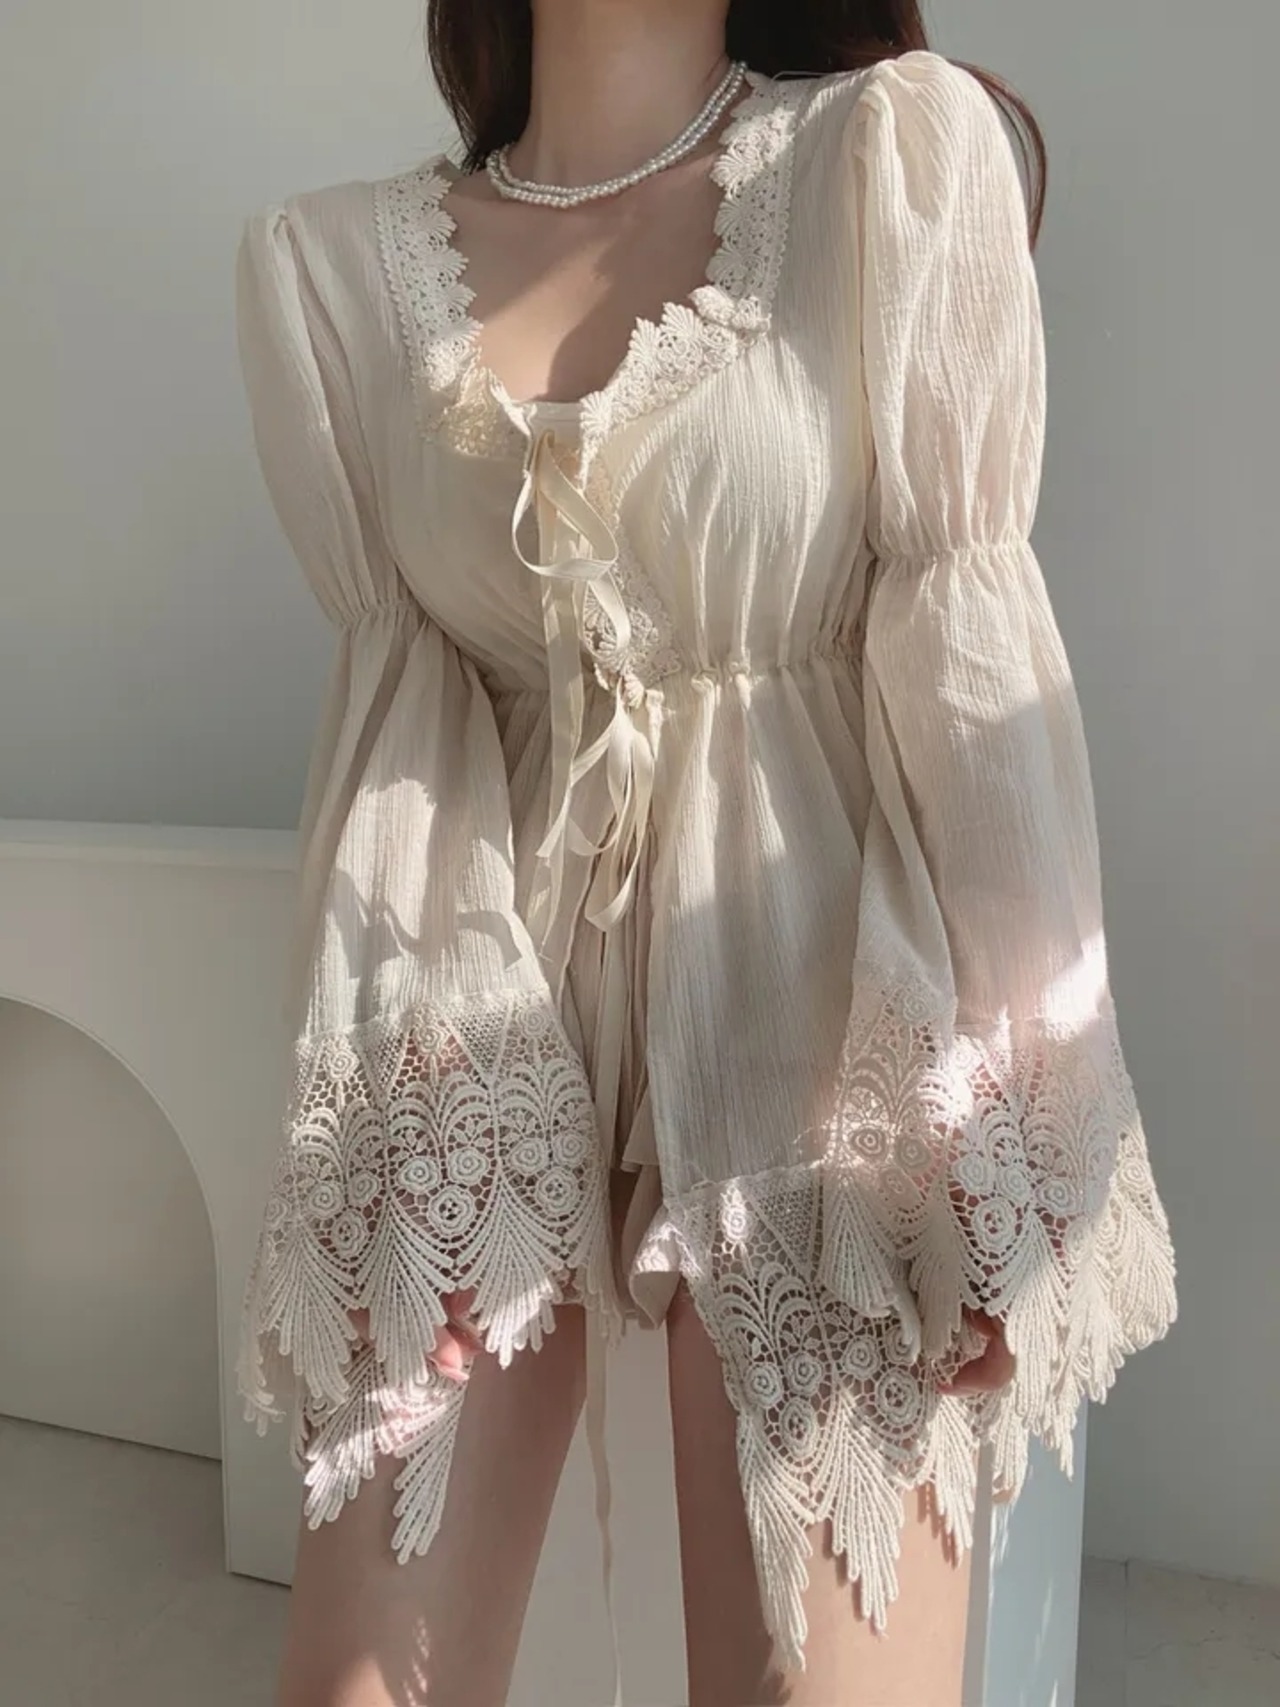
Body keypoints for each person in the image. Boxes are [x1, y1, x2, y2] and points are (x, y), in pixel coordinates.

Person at [233, 3, 1178, 1703]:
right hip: (478, 1000)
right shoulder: (336, 275)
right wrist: (408, 1135)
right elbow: (398, 733)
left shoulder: (885, 162)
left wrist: (1007, 1120)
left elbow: (965, 647)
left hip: (818, 998)